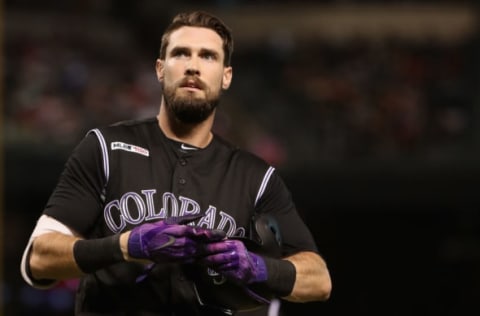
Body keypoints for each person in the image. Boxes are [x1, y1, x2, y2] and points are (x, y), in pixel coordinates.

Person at [20, 11, 332, 316]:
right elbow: (38, 259)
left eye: (208, 56)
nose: (193, 66)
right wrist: (124, 246)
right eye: (181, 53)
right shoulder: (104, 149)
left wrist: (260, 267)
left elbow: (319, 280)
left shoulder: (255, 176)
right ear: (160, 69)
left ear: (226, 76)